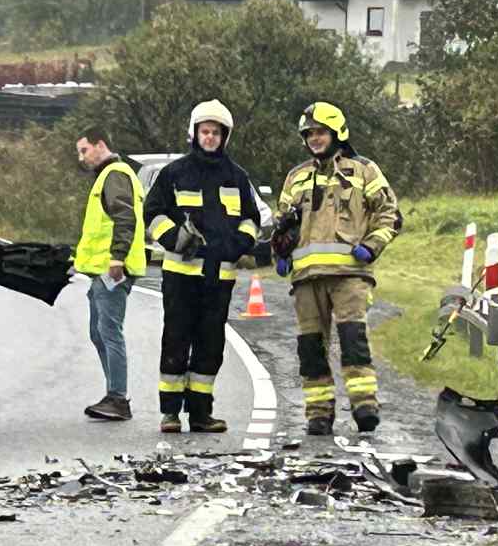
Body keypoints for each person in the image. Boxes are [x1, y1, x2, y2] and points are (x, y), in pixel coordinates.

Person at [275, 100, 400, 436]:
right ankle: (318, 414)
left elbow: (390, 214)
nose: (315, 138)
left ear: (337, 133)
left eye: (321, 132)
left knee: (353, 341)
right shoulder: (296, 177)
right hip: (306, 278)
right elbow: (282, 222)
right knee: (310, 349)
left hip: (350, 275)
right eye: (309, 134)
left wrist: (371, 247)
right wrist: (280, 251)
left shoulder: (363, 170)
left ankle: (364, 406)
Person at [143, 99, 262, 434]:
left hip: (219, 278)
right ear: (194, 134)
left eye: (216, 133)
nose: (210, 137)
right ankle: (170, 413)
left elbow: (252, 219)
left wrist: (238, 245)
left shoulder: (237, 177)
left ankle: (200, 414)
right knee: (176, 341)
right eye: (205, 131)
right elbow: (152, 212)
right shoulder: (174, 174)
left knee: (210, 346)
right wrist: (174, 239)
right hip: (180, 276)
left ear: (225, 137)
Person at [72, 127, 147, 421]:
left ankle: (118, 397)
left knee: (109, 331)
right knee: (98, 332)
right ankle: (113, 394)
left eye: (84, 150)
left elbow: (124, 217)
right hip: (101, 271)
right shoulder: (109, 175)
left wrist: (117, 257)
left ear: (100, 144)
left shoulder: (114, 174)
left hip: (113, 270)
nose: (82, 157)